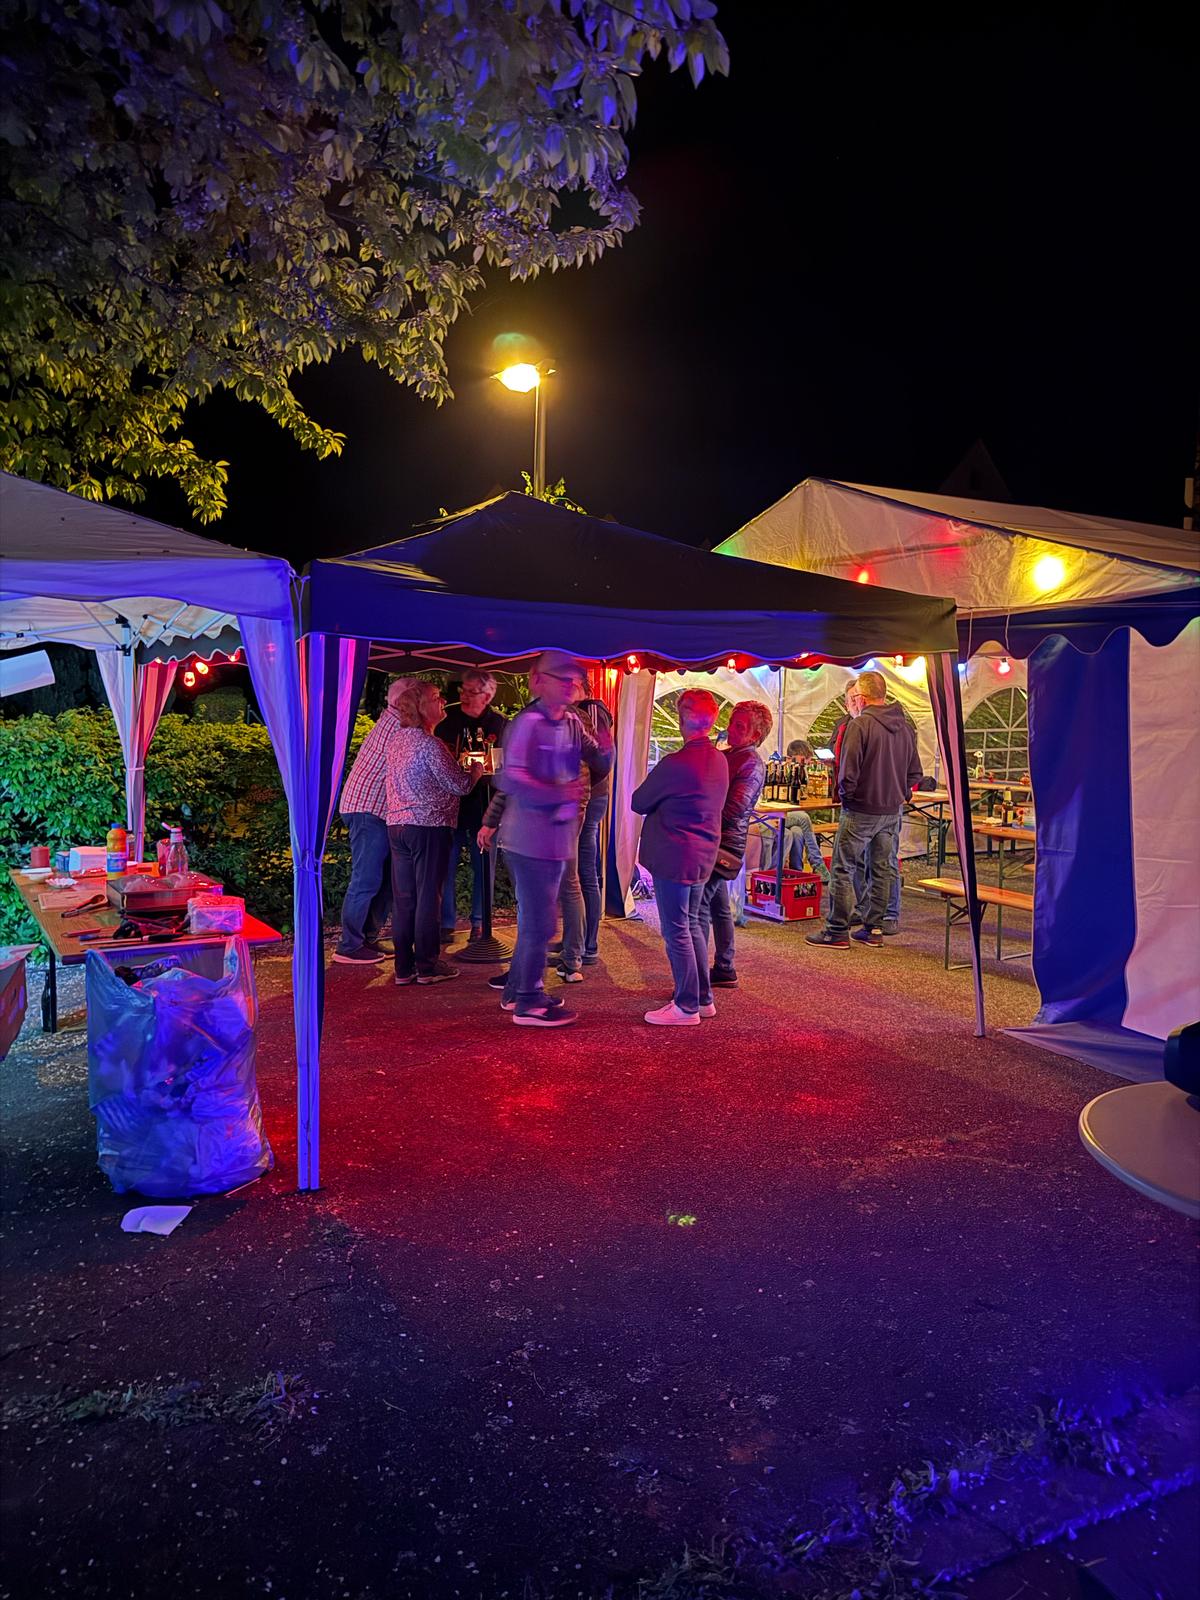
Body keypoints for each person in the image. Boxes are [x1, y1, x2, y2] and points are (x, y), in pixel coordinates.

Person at [491, 652, 613, 1026]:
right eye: (563, 679)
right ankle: (529, 1001)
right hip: (529, 838)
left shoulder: (573, 721)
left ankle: (518, 993)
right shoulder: (528, 723)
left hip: (557, 836)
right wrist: (556, 793)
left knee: (541, 921)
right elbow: (511, 778)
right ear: (538, 680)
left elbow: (599, 761)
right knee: (539, 922)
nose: (570, 685)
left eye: (573, 679)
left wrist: (606, 746)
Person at [631, 689, 729, 1026]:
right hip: (703, 853)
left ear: (682, 719)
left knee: (677, 931)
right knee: (693, 925)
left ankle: (686, 1006)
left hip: (675, 855)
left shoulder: (674, 763)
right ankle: (702, 998)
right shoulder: (719, 760)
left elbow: (639, 801)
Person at [807, 670, 920, 949]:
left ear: (861, 697)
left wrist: (848, 797)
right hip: (891, 810)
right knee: (881, 869)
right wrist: (900, 794)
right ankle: (874, 929)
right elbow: (915, 772)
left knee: (843, 868)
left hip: (861, 809)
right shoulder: (905, 727)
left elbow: (848, 772)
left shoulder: (860, 725)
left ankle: (836, 930)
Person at [385, 681, 482, 985]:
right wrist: (475, 771)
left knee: (405, 899)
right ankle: (427, 966)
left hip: (397, 825)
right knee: (429, 896)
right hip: (428, 826)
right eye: (436, 698)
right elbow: (459, 785)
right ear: (421, 708)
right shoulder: (430, 745)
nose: (443, 701)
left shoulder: (397, 740)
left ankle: (404, 968)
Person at [332, 675, 418, 965]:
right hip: (367, 809)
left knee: (385, 879)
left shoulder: (394, 721)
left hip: (373, 809)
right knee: (367, 878)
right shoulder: (399, 726)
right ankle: (349, 945)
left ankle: (366, 938)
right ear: (407, 699)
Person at [701, 699, 773, 991]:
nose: (730, 729)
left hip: (723, 843)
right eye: (731, 722)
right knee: (718, 907)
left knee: (698, 908)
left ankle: (696, 981)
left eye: (739, 726)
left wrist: (698, 817)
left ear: (755, 735)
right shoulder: (733, 755)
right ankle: (725, 967)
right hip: (718, 840)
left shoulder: (751, 763)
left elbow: (734, 809)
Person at [436, 670, 507, 944]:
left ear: (487, 696)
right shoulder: (446, 720)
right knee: (445, 865)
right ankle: (445, 924)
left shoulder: (500, 724)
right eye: (462, 690)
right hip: (450, 805)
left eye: (470, 692)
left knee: (484, 866)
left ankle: (480, 923)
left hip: (485, 806)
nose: (463, 696)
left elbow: (506, 768)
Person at [753, 739, 831, 884]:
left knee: (797, 831)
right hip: (769, 815)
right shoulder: (778, 769)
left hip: (781, 812)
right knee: (803, 818)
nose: (806, 763)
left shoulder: (797, 772)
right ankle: (817, 864)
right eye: (804, 759)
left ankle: (796, 875)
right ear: (792, 757)